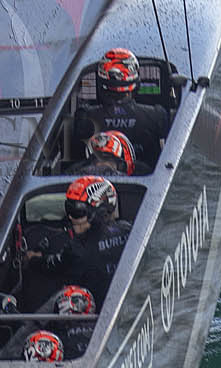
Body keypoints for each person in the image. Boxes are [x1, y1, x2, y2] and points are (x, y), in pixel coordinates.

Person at [79, 47, 170, 171]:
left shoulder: (84, 118)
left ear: (100, 84)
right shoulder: (158, 116)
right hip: (143, 178)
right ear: (136, 84)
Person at [60, 175, 131, 306]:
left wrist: (34, 259)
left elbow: (58, 265)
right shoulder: (129, 230)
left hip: (89, 313)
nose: (70, 216)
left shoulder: (77, 248)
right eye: (68, 208)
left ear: (100, 211)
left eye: (78, 211)